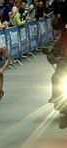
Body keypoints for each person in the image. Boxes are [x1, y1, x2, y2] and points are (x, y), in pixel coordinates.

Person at [46, 0, 67, 128]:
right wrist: (52, 55)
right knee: (55, 77)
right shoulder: (63, 38)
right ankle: (57, 98)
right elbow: (54, 50)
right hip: (64, 65)